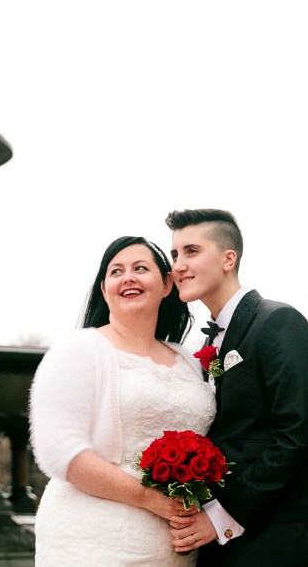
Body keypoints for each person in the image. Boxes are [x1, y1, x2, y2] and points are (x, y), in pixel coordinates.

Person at [29, 236, 215, 566]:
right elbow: (60, 452)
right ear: (104, 289)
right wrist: (150, 499)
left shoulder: (187, 360)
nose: (128, 277)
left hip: (177, 546)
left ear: (167, 283)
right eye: (116, 271)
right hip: (93, 540)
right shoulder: (77, 351)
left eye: (140, 268)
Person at [165, 209, 308, 566]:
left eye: (191, 251)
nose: (178, 265)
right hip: (227, 537)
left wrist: (223, 516)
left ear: (229, 258)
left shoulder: (278, 322)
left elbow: (299, 435)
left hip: (280, 530)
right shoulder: (211, 340)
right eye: (175, 254)